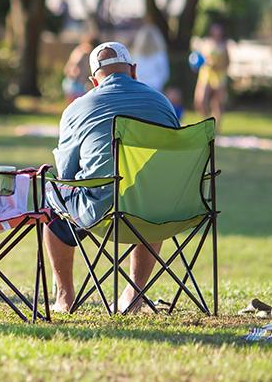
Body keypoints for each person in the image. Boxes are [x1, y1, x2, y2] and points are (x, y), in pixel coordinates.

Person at [46, 41, 180, 314]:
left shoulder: (78, 108)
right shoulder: (162, 103)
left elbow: (67, 175)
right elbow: (172, 162)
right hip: (162, 211)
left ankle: (65, 298)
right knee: (149, 190)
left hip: (102, 212)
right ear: (133, 70)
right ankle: (134, 294)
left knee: (52, 198)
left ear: (94, 80)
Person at [194, 22, 229, 129]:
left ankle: (217, 127)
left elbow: (227, 62)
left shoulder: (224, 45)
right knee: (200, 100)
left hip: (219, 77)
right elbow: (199, 58)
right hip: (205, 75)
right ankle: (206, 122)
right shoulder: (206, 43)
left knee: (217, 103)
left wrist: (217, 66)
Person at [131, 15, 169, 93]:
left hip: (139, 88)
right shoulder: (160, 55)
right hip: (156, 88)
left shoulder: (135, 56)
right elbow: (165, 74)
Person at [62, 35, 98, 102]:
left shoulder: (83, 52)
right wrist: (76, 75)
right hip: (74, 83)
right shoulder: (82, 53)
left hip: (77, 83)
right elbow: (73, 66)